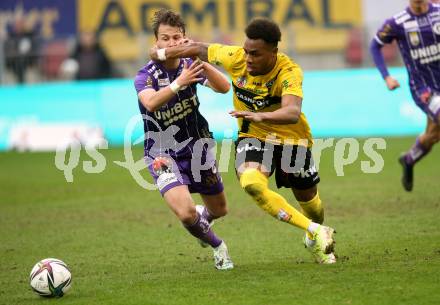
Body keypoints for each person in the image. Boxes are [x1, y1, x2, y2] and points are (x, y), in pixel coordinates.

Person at [150, 17, 337, 264]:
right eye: (247, 52)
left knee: (313, 208)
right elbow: (198, 48)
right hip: (254, 137)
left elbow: (292, 112)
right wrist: (160, 52)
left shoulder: (289, 72)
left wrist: (261, 114)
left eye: (256, 54)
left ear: (273, 51)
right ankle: (314, 230)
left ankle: (313, 232)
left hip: (293, 141)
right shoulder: (236, 57)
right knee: (251, 183)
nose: (248, 59)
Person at [134, 9, 233, 270]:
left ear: (184, 38)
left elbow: (224, 87)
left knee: (220, 209)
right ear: (156, 42)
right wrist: (179, 83)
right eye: (165, 38)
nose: (171, 43)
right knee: (186, 213)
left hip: (197, 145)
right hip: (161, 151)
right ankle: (218, 246)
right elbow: (151, 102)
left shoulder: (190, 64)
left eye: (176, 37)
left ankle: (205, 220)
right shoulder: (146, 75)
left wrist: (200, 60)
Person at [370, 0, 440, 192]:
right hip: (423, 88)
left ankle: (409, 159)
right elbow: (374, 46)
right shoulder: (397, 23)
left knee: (433, 135)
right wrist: (387, 77)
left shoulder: (438, 13)